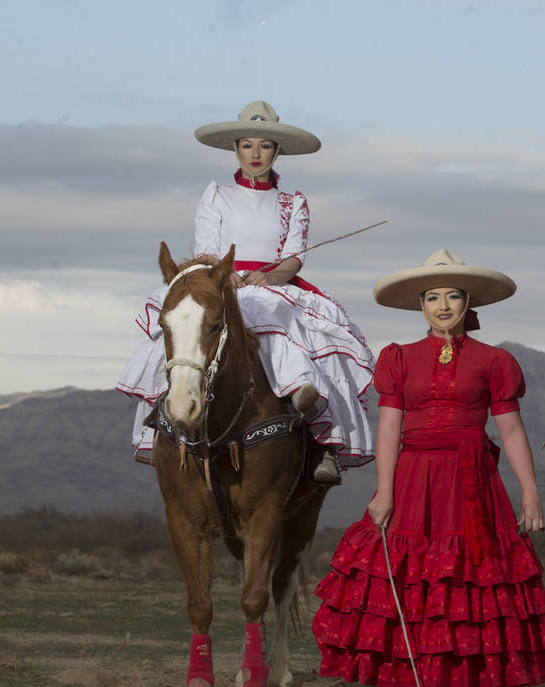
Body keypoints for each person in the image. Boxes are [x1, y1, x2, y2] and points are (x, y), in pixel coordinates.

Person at [311, 250, 545, 687]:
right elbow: (388, 430)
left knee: (456, 584)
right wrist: (383, 491)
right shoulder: (400, 358)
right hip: (410, 479)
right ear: (420, 306)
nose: (442, 304)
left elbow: (510, 432)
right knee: (388, 576)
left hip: (471, 484)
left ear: (468, 303)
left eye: (452, 295)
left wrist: (529, 492)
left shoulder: (494, 361)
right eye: (432, 297)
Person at [116, 101, 375, 482]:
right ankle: (162, 413)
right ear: (236, 149)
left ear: (277, 151)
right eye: (247, 145)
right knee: (178, 329)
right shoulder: (216, 194)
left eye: (265, 145)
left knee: (303, 336)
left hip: (274, 284)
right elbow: (206, 247)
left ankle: (320, 434)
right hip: (221, 281)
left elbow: (293, 258)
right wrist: (226, 276)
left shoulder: (293, 202)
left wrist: (270, 278)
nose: (256, 154)